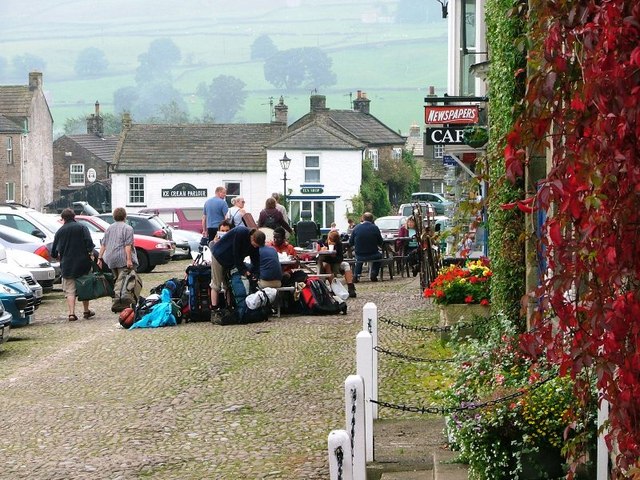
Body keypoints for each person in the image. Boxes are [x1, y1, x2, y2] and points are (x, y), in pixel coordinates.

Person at [51, 208, 96, 321]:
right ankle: (86, 311)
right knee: (85, 286)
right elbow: (89, 243)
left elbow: (53, 252)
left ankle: (71, 313)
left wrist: (58, 256)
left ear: (63, 218)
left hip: (67, 264)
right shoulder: (82, 227)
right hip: (83, 263)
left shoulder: (59, 232)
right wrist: (90, 253)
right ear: (74, 216)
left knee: (70, 290)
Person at [210, 225, 261, 312]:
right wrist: (244, 270)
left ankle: (230, 307)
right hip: (219, 255)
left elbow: (256, 260)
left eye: (257, 246)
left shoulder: (255, 245)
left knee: (228, 284)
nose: (255, 247)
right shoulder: (241, 232)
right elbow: (236, 253)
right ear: (252, 238)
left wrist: (255, 274)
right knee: (216, 284)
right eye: (255, 245)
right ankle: (214, 308)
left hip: (230, 260)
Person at [97, 207, 139, 312]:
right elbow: (127, 245)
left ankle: (120, 300)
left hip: (111, 258)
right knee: (125, 280)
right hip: (122, 258)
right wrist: (129, 260)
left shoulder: (109, 228)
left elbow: (104, 244)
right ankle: (120, 302)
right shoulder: (128, 228)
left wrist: (100, 257)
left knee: (117, 280)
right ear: (125, 216)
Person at [349, 212, 384, 282]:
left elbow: (350, 242)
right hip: (373, 254)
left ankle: (356, 274)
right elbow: (380, 242)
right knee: (380, 256)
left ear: (362, 218)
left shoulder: (356, 228)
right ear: (372, 219)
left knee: (359, 259)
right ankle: (374, 273)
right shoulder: (375, 228)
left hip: (359, 254)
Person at [322, 230, 356, 297]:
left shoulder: (339, 244)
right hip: (325, 263)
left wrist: (333, 256)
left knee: (346, 265)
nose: (331, 241)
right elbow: (321, 257)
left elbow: (340, 258)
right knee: (327, 265)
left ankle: (350, 287)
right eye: (330, 239)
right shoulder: (322, 242)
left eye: (333, 240)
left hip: (336, 263)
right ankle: (334, 288)